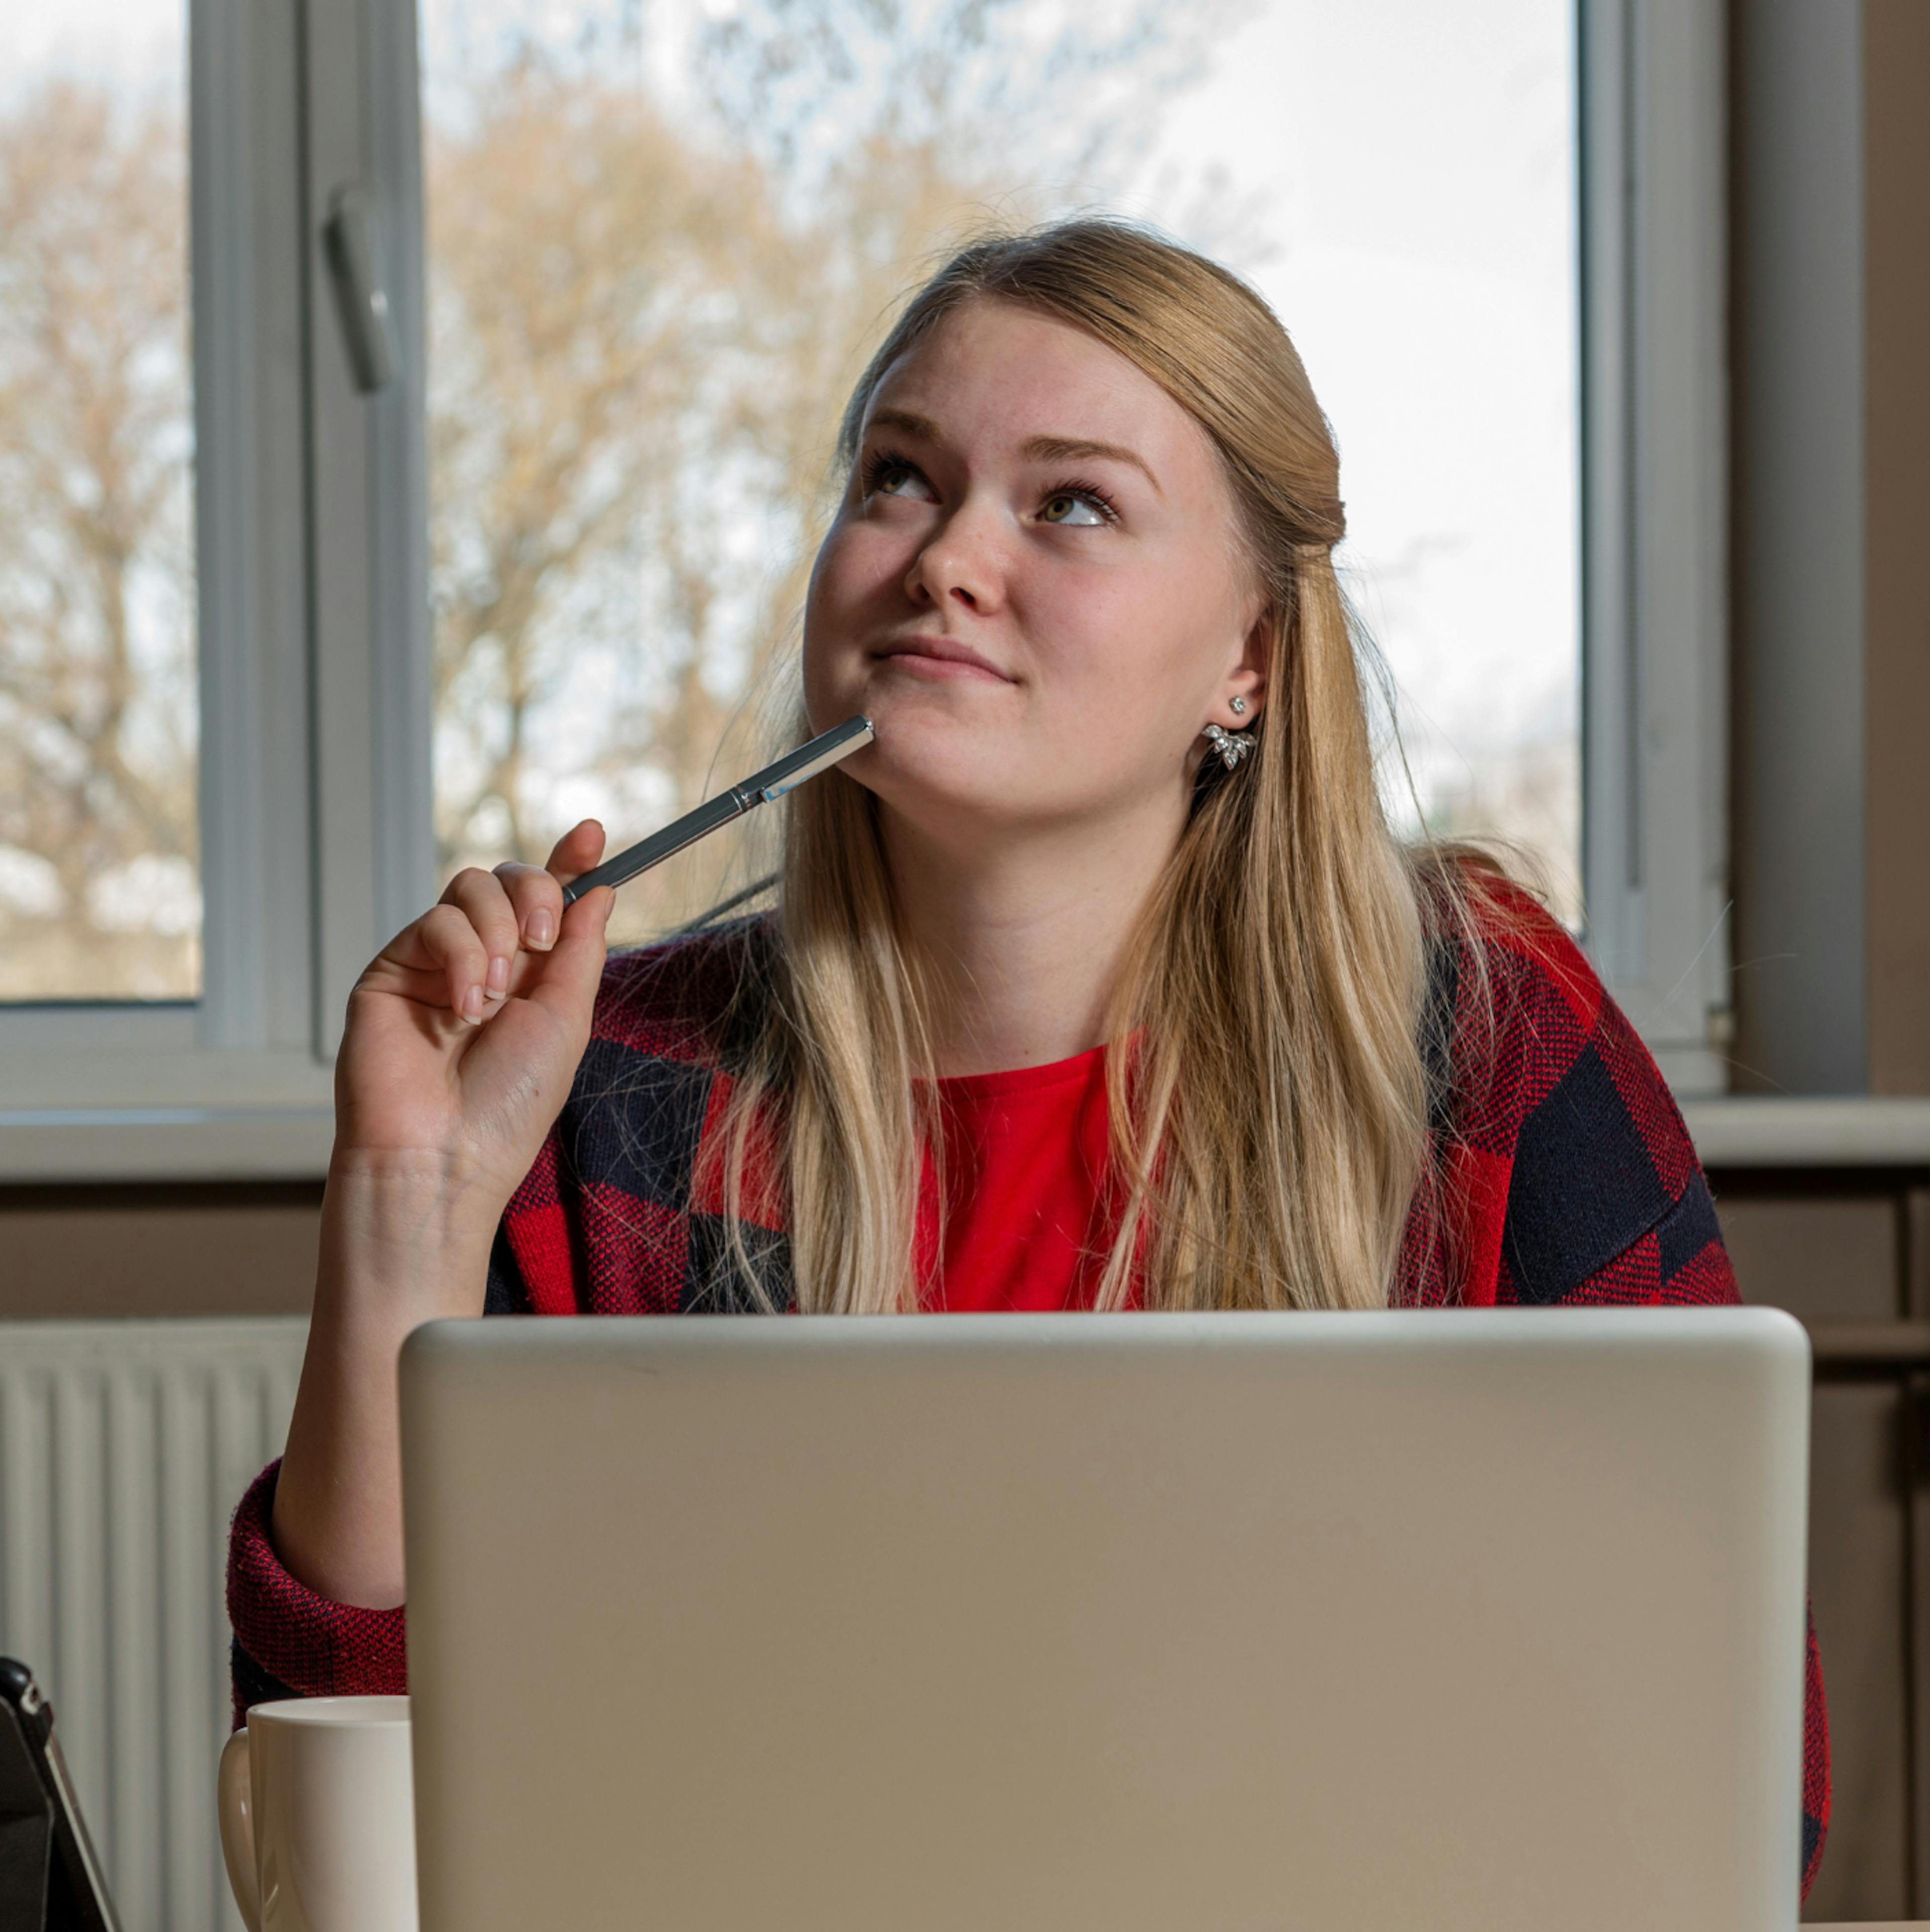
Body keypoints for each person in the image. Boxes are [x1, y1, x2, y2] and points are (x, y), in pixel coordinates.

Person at [227, 219, 1829, 1894]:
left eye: (1070, 501)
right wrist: (412, 1200)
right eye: (900, 478)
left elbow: (1723, 1785)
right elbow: (359, 1841)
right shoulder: (612, 1081)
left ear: (1251, 662)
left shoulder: (1487, 1032)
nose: (942, 558)